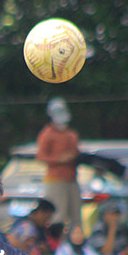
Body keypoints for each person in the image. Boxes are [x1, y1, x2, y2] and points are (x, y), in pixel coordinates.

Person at [35, 97, 82, 230]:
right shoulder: (47, 134)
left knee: (75, 214)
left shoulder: (71, 134)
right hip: (55, 179)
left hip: (71, 178)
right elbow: (41, 156)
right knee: (58, 214)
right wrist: (59, 159)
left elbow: (76, 153)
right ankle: (55, 242)